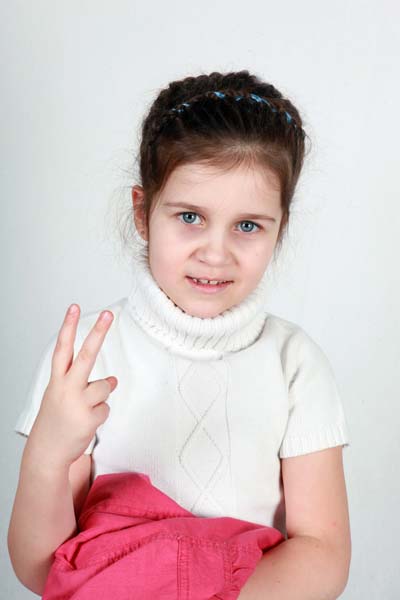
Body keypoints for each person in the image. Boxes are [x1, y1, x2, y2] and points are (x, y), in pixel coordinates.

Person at [8, 70, 351, 598]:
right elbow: (39, 568)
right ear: (143, 213)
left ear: (280, 228)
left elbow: (323, 557)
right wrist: (46, 457)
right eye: (190, 216)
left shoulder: (295, 363)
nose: (215, 252)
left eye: (248, 226)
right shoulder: (86, 357)